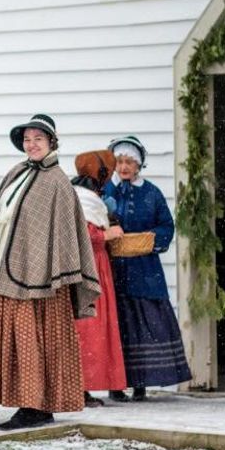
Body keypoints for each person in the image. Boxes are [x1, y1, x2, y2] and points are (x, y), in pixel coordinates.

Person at [0, 115, 101, 430]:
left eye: (38, 140)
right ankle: (26, 402)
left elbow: (65, 234)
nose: (32, 145)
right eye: (28, 139)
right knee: (16, 339)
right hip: (8, 271)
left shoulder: (57, 181)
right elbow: (0, 217)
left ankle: (36, 406)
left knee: (34, 340)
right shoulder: (17, 172)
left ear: (51, 143)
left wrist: (50, 272)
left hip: (43, 282)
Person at [103, 136, 193, 400]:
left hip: (144, 270)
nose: (124, 167)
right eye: (119, 161)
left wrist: (150, 239)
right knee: (118, 325)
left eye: (129, 161)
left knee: (144, 325)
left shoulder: (151, 192)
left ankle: (141, 383)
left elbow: (167, 226)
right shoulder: (106, 189)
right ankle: (116, 384)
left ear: (139, 165)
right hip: (115, 269)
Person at [70, 149, 127, 407]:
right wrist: (108, 235)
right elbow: (81, 236)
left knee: (92, 329)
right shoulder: (83, 200)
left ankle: (84, 387)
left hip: (95, 267)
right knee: (87, 328)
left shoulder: (87, 197)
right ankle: (78, 387)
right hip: (87, 270)